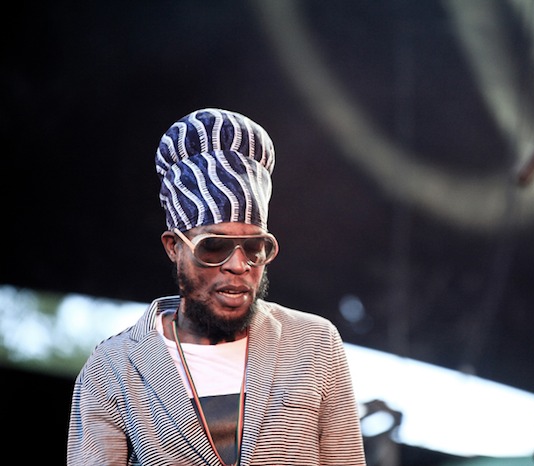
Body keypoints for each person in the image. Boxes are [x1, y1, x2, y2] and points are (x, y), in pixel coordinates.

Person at [67, 108, 367, 466]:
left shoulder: (314, 344)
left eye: (254, 247)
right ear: (173, 247)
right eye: (213, 246)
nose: (239, 265)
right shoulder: (114, 367)